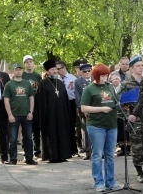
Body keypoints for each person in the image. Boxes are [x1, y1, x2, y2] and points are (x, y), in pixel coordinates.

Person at [81, 64, 119, 192]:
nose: (105, 77)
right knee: (97, 154)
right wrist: (102, 109)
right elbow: (84, 108)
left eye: (106, 75)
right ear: (96, 76)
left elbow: (115, 102)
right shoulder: (89, 89)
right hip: (96, 125)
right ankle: (99, 182)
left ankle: (111, 181)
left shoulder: (110, 87)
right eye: (102, 75)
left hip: (112, 125)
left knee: (110, 155)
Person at [119, 56, 143, 183]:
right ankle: (139, 172)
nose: (141, 68)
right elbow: (119, 103)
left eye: (142, 65)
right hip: (135, 118)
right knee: (137, 147)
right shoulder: (126, 84)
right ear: (131, 68)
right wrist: (127, 115)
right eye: (138, 66)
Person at [36, 59, 72, 162]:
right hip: (50, 116)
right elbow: (41, 103)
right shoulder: (43, 84)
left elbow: (65, 99)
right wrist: (43, 117)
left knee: (62, 134)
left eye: (56, 69)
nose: (55, 71)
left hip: (61, 114)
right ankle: (52, 156)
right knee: (51, 135)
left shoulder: (60, 83)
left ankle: (63, 155)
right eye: (52, 69)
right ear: (47, 72)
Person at [3, 63, 37, 165]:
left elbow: (31, 98)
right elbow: (6, 100)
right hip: (14, 115)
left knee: (28, 138)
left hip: (26, 115)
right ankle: (13, 159)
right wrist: (9, 114)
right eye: (16, 69)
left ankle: (29, 158)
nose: (18, 71)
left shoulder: (27, 83)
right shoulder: (9, 84)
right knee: (13, 138)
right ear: (13, 71)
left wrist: (31, 112)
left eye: (19, 69)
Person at [22, 55, 42, 158]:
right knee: (26, 129)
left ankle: (37, 150)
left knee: (36, 128)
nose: (29, 63)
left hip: (37, 104)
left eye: (31, 62)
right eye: (27, 62)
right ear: (24, 64)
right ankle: (26, 151)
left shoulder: (37, 76)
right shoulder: (22, 75)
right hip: (25, 104)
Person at [56, 61, 78, 156]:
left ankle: (74, 149)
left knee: (71, 126)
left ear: (64, 68)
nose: (57, 71)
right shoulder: (56, 80)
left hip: (71, 102)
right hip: (60, 104)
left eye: (58, 69)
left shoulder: (73, 79)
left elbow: (76, 93)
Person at [74, 63, 93, 160]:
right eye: (84, 71)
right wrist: (82, 109)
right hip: (84, 110)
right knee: (85, 130)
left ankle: (98, 151)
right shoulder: (78, 82)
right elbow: (77, 97)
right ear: (81, 72)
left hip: (96, 109)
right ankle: (87, 152)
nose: (87, 73)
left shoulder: (95, 80)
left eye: (89, 70)